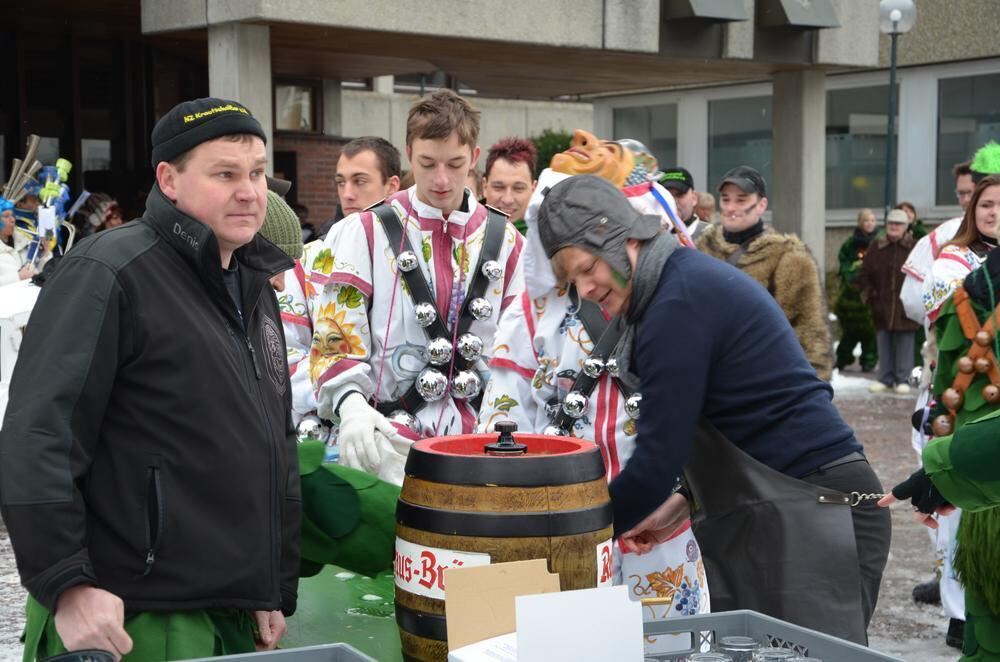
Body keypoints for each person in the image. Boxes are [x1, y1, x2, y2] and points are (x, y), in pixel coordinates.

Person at [0, 97, 300, 659]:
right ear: (169, 179)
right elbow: (38, 435)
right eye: (225, 174)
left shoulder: (255, 288)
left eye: (258, 173)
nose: (250, 191)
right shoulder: (109, 272)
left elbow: (272, 444)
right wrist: (69, 585)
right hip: (131, 620)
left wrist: (269, 584)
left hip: (226, 609)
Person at [538, 174, 890, 644]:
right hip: (776, 505)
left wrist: (559, 539)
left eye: (588, 268)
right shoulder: (673, 286)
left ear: (619, 238)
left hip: (819, 511)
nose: (586, 289)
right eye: (571, 281)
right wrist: (680, 503)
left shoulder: (675, 303)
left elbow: (655, 462)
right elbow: (738, 419)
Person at [478, 141, 708, 621]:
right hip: (560, 525)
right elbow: (505, 412)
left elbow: (710, 416)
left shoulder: (675, 296)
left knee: (668, 648)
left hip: (659, 526)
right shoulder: (533, 306)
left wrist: (688, 496)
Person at [310, 89, 525, 485]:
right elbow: (333, 337)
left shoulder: (509, 242)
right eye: (427, 163)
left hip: (480, 452)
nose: (441, 179)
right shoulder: (364, 232)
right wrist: (351, 404)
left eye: (455, 164)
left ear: (475, 158)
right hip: (385, 447)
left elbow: (521, 354)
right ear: (409, 154)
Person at [881, 175, 1000, 660]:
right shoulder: (955, 267)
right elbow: (945, 361)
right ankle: (959, 612)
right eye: (986, 202)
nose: (993, 211)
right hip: (972, 445)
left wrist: (941, 473)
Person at [697, 165, 833, 381]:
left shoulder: (788, 257)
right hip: (707, 380)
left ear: (761, 205)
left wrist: (811, 392)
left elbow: (809, 333)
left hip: (761, 382)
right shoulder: (702, 249)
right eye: (725, 199)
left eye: (741, 200)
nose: (731, 207)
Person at [859, 209, 919, 394]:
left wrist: (916, 299)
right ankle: (885, 377)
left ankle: (903, 378)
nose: (894, 227)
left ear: (906, 227)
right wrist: (869, 295)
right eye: (891, 223)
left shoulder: (915, 247)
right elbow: (864, 274)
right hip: (881, 303)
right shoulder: (876, 246)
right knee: (883, 341)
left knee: (905, 342)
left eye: (898, 224)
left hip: (906, 305)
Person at [834, 208, 879, 373]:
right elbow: (844, 263)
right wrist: (852, 274)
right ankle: (842, 358)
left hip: (871, 293)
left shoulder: (879, 242)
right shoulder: (850, 243)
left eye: (873, 220)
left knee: (870, 331)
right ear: (860, 223)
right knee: (850, 331)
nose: (870, 224)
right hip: (852, 295)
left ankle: (869, 360)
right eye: (867, 221)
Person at [334, 136, 402, 219]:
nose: (347, 195)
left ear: (391, 187)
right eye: (341, 182)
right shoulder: (331, 231)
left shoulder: (414, 231)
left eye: (360, 181)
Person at [482, 137, 537, 235]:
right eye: (499, 187)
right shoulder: (461, 235)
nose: (508, 200)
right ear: (484, 187)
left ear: (534, 189)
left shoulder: (548, 243)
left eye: (518, 188)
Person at [658, 167, 709, 240]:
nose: (673, 201)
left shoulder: (712, 236)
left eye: (679, 195)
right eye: (667, 196)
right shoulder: (646, 237)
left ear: (694, 198)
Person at [0, 200, 33, 284]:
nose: (12, 220)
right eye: (6, 216)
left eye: (13, 215)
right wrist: (17, 277)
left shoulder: (25, 241)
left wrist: (46, 254)